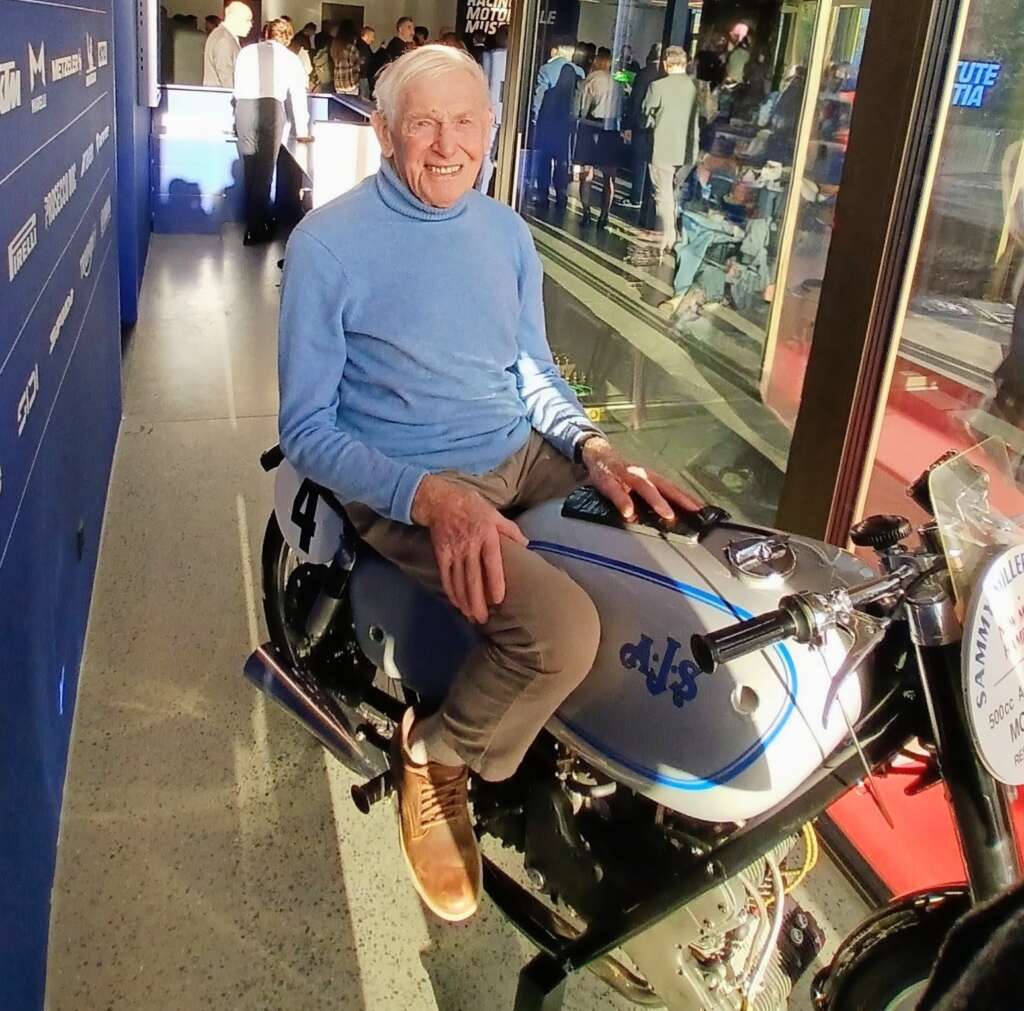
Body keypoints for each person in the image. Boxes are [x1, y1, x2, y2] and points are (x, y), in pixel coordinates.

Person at [278, 44, 700, 922]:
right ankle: (437, 754)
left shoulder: (505, 231)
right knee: (558, 630)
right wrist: (430, 497)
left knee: (671, 532)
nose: (446, 144)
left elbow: (532, 368)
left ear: (491, 129)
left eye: (464, 122)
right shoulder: (328, 244)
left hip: (519, 451)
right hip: (406, 477)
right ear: (386, 132)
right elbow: (307, 428)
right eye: (423, 123)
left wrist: (590, 445)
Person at [233, 18, 313, 245]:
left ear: (266, 33)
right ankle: (257, 227)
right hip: (271, 108)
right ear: (288, 37)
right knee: (266, 170)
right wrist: (303, 129)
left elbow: (236, 86)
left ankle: (252, 223)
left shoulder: (246, 52)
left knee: (249, 167)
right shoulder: (290, 58)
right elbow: (298, 96)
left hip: (244, 107)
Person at [643, 45, 699, 253]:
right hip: (687, 151)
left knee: (663, 195)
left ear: (666, 64)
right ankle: (674, 233)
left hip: (663, 148)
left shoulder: (657, 87)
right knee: (677, 195)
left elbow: (646, 114)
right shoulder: (694, 88)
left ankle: (668, 235)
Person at [530, 40, 584, 206]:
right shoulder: (579, 71)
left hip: (547, 121)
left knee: (544, 159)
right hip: (566, 123)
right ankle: (561, 193)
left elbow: (539, 96)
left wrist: (534, 116)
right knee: (563, 159)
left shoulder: (546, 69)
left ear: (557, 51)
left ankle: (543, 194)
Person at [573, 49, 623, 228]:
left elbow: (580, 108)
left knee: (586, 174)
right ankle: (604, 215)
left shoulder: (590, 80)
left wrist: (578, 118)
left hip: (591, 127)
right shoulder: (618, 82)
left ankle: (586, 212)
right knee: (609, 176)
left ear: (596, 61)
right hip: (610, 129)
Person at [622, 43, 661, 215]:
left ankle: (635, 197)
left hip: (641, 123)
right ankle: (647, 197)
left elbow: (635, 100)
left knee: (640, 162)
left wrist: (628, 125)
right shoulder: (664, 75)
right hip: (657, 126)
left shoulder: (644, 73)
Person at [478, 24, 508, 193]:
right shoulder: (515, 58)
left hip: (492, 111)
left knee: (487, 153)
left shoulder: (490, 57)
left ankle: (482, 188)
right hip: (507, 113)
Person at [203, 1, 251, 87]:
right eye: (247, 20)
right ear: (235, 19)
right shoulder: (224, 40)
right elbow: (226, 78)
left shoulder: (222, 35)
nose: (250, 25)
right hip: (222, 97)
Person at [332, 21, 362, 96]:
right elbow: (357, 67)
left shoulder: (335, 46)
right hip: (351, 82)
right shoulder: (352, 47)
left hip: (338, 83)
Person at [357, 25, 377, 97]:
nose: (373, 39)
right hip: (361, 78)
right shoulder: (361, 47)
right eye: (372, 36)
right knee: (363, 100)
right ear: (366, 35)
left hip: (364, 77)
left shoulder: (365, 46)